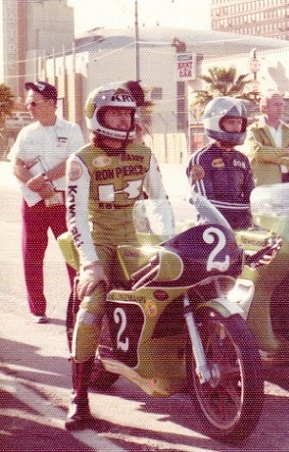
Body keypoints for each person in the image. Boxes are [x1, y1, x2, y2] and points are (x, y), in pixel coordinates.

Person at [64, 82, 174, 431]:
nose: (124, 119)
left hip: (136, 239)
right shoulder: (80, 160)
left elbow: (161, 203)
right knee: (91, 312)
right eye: (115, 112)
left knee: (174, 294)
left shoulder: (144, 154)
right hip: (102, 241)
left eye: (128, 112)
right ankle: (78, 399)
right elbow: (76, 215)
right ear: (97, 116)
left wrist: (169, 243)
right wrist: (90, 261)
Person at [8, 81, 84, 323]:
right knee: (32, 254)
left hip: (62, 200)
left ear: (51, 103)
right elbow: (16, 164)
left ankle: (80, 306)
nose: (29, 107)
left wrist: (43, 178)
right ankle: (37, 309)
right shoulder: (26, 133)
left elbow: (73, 161)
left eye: (34, 102)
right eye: (29, 102)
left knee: (73, 253)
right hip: (34, 202)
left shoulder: (71, 130)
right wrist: (34, 184)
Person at [187, 96, 254, 229]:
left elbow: (251, 196)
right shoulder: (201, 159)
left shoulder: (243, 160)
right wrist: (244, 207)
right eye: (231, 122)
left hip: (242, 226)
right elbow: (205, 203)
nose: (236, 127)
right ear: (215, 122)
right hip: (213, 228)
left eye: (239, 123)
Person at [245, 90, 289, 186]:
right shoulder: (254, 130)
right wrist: (284, 151)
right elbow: (259, 153)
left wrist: (271, 156)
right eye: (276, 105)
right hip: (267, 184)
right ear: (264, 108)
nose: (280, 108)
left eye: (281, 105)